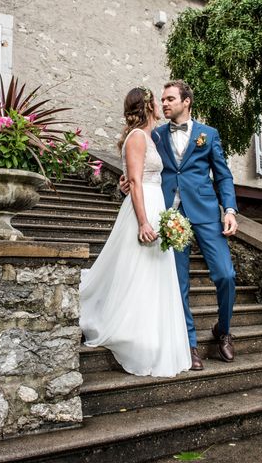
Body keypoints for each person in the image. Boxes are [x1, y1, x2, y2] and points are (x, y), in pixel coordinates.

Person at [120, 80, 239, 371]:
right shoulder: (156, 135)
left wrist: (230, 210)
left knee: (226, 274)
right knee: (178, 283)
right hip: (168, 215)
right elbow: (138, 165)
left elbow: (222, 176)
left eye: (171, 98)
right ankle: (189, 344)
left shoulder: (208, 135)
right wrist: (125, 182)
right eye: (162, 99)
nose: (165, 104)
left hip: (206, 212)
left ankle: (223, 330)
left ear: (187, 102)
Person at [79, 87, 191, 378]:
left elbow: (135, 176)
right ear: (147, 105)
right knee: (137, 271)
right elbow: (138, 183)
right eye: (157, 100)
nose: (160, 104)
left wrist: (126, 181)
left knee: (152, 273)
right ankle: (133, 333)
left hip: (156, 204)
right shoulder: (138, 137)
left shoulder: (151, 137)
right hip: (144, 208)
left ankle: (150, 334)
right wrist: (143, 221)